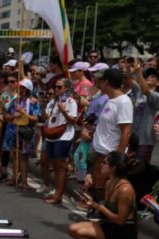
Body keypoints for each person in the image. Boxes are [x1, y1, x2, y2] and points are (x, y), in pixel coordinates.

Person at [69, 151, 140, 239]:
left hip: (124, 235)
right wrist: (91, 203)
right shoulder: (109, 183)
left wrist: (99, 207)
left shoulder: (125, 189)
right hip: (109, 227)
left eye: (104, 163)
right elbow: (106, 209)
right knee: (73, 229)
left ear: (113, 168)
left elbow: (120, 221)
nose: (101, 165)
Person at [86, 68, 133, 200]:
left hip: (108, 154)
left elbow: (126, 131)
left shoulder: (123, 102)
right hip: (98, 151)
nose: (97, 83)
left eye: (100, 80)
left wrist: (117, 158)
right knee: (95, 187)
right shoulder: (110, 100)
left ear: (106, 82)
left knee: (103, 190)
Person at [43, 78, 78, 204]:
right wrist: (43, 105)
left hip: (64, 136)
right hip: (52, 136)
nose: (56, 89)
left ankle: (58, 195)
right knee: (54, 166)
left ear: (66, 88)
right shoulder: (53, 101)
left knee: (61, 166)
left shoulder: (70, 101)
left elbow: (73, 121)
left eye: (59, 87)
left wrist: (63, 111)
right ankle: (56, 192)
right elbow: (46, 117)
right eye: (55, 87)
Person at [4, 78, 40, 191]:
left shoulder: (33, 102)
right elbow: (7, 116)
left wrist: (23, 113)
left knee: (24, 157)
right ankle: (14, 177)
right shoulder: (15, 101)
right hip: (15, 131)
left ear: (27, 89)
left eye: (22, 88)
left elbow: (35, 118)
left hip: (26, 132)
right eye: (20, 87)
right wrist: (13, 116)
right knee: (15, 155)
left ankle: (24, 181)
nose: (20, 89)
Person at [131, 62, 159, 163]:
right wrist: (128, 67)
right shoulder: (139, 92)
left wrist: (139, 73)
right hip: (133, 138)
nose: (149, 77)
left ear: (158, 83)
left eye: (153, 77)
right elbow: (130, 81)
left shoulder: (157, 96)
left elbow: (147, 91)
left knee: (140, 167)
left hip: (145, 140)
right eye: (148, 76)